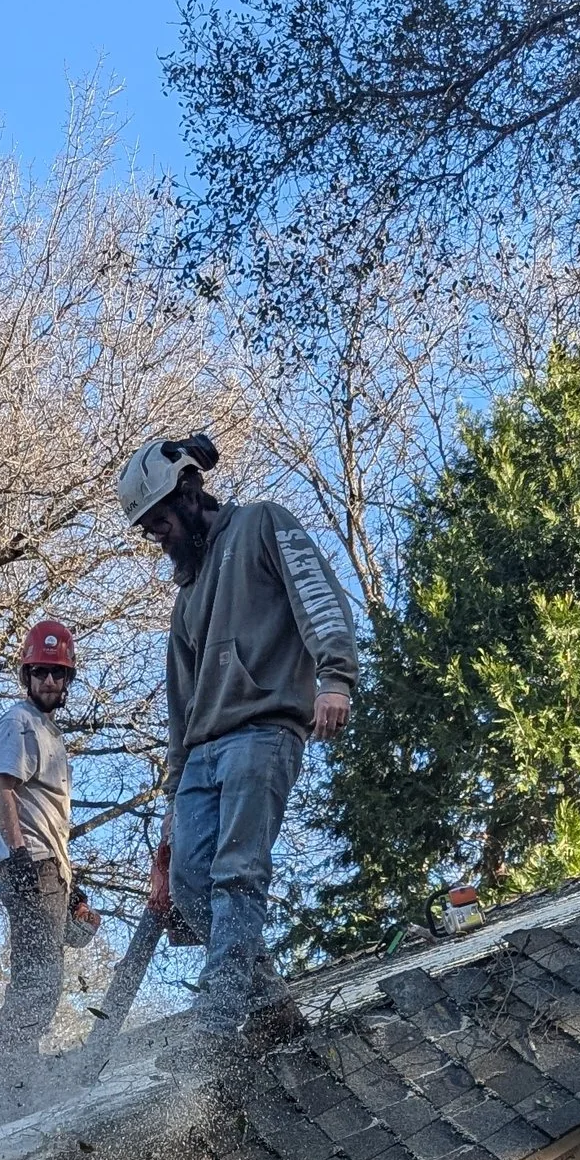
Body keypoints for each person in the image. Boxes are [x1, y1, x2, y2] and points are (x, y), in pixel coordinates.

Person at [118, 433, 359, 1034]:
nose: (158, 539)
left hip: (263, 731)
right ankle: (270, 1007)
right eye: (148, 531)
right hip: (200, 754)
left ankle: (218, 1026)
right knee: (191, 887)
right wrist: (172, 800)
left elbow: (317, 593)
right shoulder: (185, 601)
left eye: (159, 524)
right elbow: (180, 705)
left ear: (187, 492)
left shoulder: (261, 525)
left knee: (237, 874)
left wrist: (334, 676)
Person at [0, 614, 80, 1113]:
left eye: (57, 673)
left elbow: (49, 815)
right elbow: (2, 787)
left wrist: (70, 885)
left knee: (48, 974)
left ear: (67, 680)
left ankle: (18, 1069)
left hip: (51, 865)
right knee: (37, 975)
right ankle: (10, 1082)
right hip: (32, 862)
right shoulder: (19, 722)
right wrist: (19, 853)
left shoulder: (52, 734)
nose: (48, 680)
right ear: (27, 675)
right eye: (40, 671)